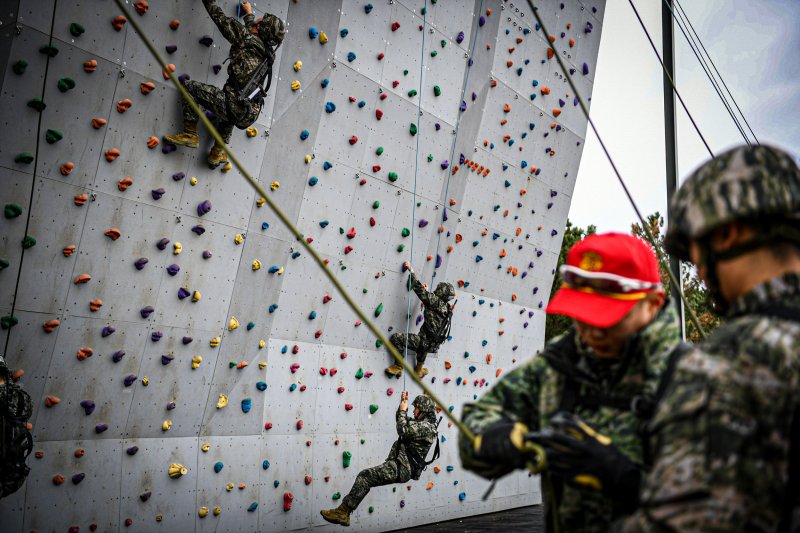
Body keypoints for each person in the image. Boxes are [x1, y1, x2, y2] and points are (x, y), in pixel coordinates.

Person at [533, 144, 800, 532]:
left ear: (727, 234)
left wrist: (622, 480)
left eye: (697, 256)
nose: (702, 276)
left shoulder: (729, 366)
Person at [459, 232, 683, 532]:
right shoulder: (556, 367)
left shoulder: (694, 378)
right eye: (583, 316)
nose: (592, 333)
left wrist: (624, 477)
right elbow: (476, 422)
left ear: (653, 304)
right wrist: (501, 438)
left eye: (608, 318)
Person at [163, 0, 285, 167]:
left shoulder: (245, 38)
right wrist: (249, 15)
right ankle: (216, 153)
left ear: (262, 27)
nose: (259, 20)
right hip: (250, 113)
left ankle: (190, 133)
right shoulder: (268, 54)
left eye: (261, 20)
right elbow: (252, 35)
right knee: (231, 113)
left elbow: (219, 17)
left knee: (189, 88)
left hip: (233, 105)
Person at [320, 392, 439, 527]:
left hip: (402, 467)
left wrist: (402, 410)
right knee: (366, 477)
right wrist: (402, 404)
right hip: (399, 465)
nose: (414, 410)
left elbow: (403, 429)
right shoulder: (422, 424)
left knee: (365, 477)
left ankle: (343, 513)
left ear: (424, 410)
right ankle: (344, 512)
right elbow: (401, 420)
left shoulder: (426, 427)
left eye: (416, 407)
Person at [385, 262, 455, 378]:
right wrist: (428, 294)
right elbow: (432, 307)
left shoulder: (434, 301)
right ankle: (418, 370)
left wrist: (411, 271)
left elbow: (418, 289)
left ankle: (398, 366)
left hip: (423, 342)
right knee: (424, 347)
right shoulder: (447, 308)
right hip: (433, 346)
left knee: (396, 338)